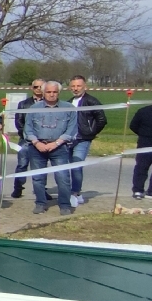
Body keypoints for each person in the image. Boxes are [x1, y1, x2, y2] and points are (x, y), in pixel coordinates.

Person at [23, 81, 78, 215]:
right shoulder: (34, 108)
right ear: (43, 92)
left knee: (63, 177)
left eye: (54, 92)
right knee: (38, 178)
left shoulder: (69, 108)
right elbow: (28, 129)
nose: (51, 94)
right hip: (37, 147)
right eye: (48, 92)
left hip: (59, 147)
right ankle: (40, 203)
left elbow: (72, 129)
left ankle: (65, 204)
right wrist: (37, 143)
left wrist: (57, 143)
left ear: (59, 93)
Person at [67, 75, 106, 206]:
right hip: (68, 139)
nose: (76, 88)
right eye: (73, 86)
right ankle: (72, 192)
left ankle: (74, 193)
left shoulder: (92, 101)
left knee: (76, 165)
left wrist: (90, 133)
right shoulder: (68, 102)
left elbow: (102, 120)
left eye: (78, 86)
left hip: (83, 139)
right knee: (66, 166)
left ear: (85, 87)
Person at [11, 80, 44, 199]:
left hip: (43, 140)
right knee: (22, 164)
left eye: (41, 87)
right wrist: (27, 135)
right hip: (25, 139)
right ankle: (18, 187)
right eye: (36, 86)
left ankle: (41, 190)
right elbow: (19, 121)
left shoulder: (49, 103)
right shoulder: (23, 104)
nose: (39, 89)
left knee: (41, 165)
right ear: (32, 88)